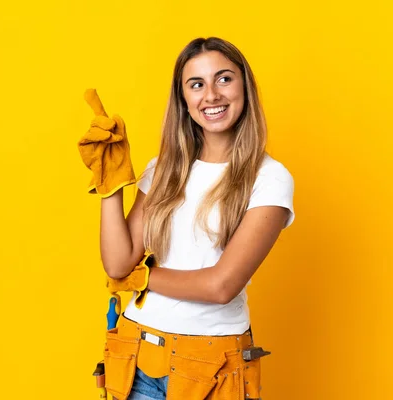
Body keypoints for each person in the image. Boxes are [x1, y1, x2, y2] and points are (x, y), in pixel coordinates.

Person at [97, 36, 295, 400]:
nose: (212, 95)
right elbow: (117, 262)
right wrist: (111, 185)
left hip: (212, 367)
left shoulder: (269, 179)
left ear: (244, 88)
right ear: (184, 100)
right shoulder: (163, 170)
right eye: (197, 84)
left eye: (224, 79)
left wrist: (142, 278)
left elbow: (221, 286)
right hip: (137, 356)